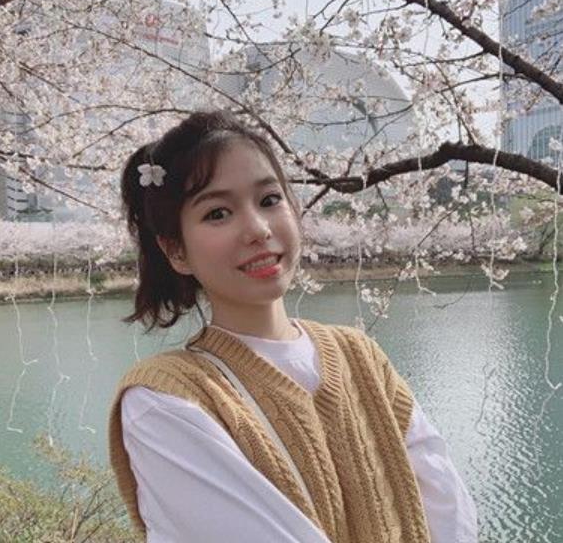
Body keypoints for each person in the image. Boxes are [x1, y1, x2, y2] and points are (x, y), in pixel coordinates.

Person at [108, 110, 478, 543]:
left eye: (269, 200)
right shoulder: (163, 400)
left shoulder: (360, 355)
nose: (258, 229)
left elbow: (447, 504)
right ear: (176, 251)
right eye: (218, 213)